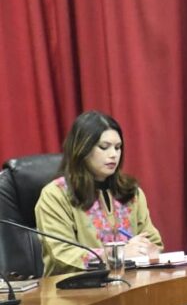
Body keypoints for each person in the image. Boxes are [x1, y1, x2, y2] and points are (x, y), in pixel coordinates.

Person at [34, 111, 163, 276]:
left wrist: (148, 249)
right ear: (82, 149)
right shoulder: (56, 195)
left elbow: (153, 241)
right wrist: (118, 254)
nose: (113, 154)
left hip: (133, 283)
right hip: (77, 287)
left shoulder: (131, 192)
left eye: (118, 147)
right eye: (104, 147)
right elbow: (62, 253)